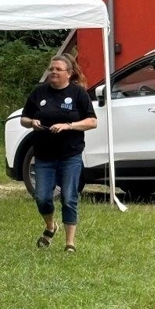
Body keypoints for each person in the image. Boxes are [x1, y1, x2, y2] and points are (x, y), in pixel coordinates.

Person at [21, 53, 97, 253]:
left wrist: (69, 125)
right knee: (42, 197)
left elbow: (92, 121)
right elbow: (24, 118)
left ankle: (70, 243)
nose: (53, 72)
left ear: (69, 73)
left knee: (69, 197)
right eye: (51, 69)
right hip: (43, 155)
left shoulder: (78, 94)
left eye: (58, 69)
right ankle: (50, 226)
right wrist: (32, 122)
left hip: (70, 155)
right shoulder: (39, 92)